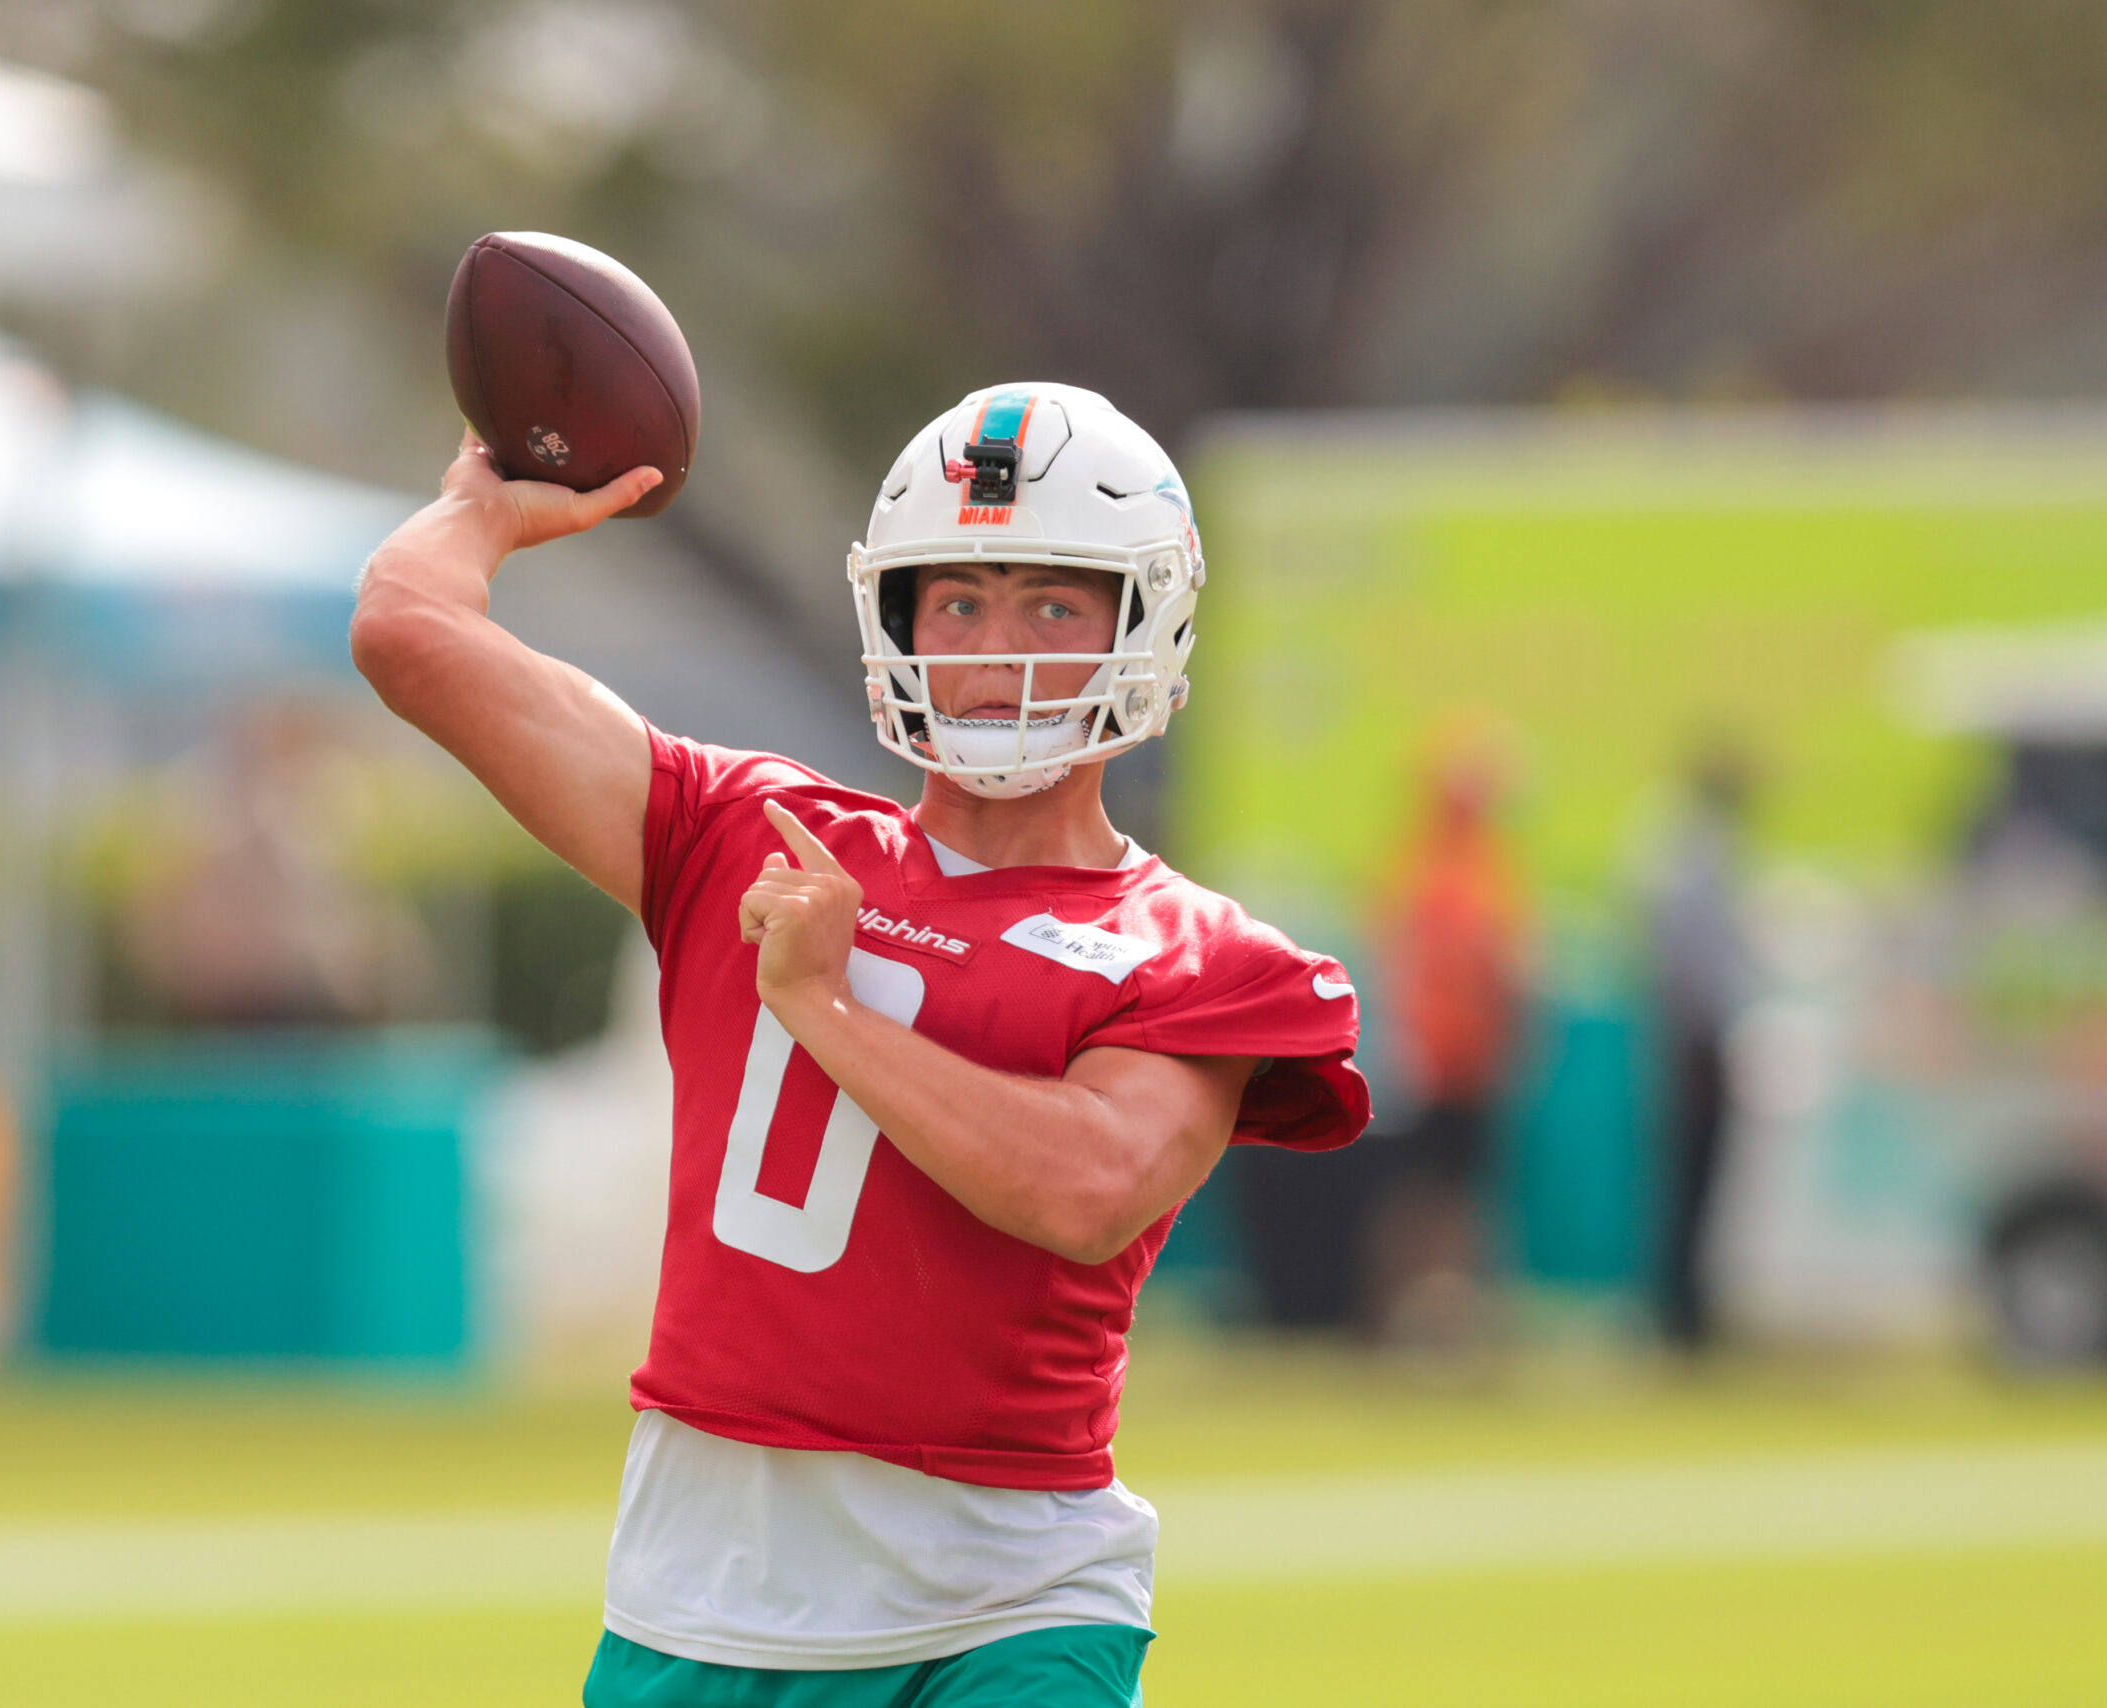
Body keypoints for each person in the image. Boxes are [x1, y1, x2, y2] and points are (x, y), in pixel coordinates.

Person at [351, 384, 1370, 1706]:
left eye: (1051, 605)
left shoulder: (1192, 950)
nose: (994, 648)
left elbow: (1088, 1187)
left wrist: (825, 1006)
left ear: (1141, 620)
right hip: (704, 1588)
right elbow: (409, 629)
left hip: (1010, 1597)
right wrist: (480, 510)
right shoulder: (743, 830)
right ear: (896, 620)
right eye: (957, 602)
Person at [1369, 736, 1524, 1345]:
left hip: (1446, 1055)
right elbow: (1489, 967)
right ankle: (1432, 1318)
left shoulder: (1427, 865)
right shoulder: (1458, 873)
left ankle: (1431, 1315)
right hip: (1451, 1059)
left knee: (1439, 1192)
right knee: (1444, 1196)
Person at [1650, 743, 1753, 1351]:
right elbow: (1693, 967)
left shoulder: (1684, 852)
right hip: (1694, 1039)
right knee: (1692, 1178)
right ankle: (1681, 1312)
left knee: (1693, 1180)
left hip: (1692, 1036)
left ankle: (1686, 1306)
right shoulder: (1699, 858)